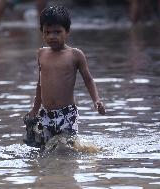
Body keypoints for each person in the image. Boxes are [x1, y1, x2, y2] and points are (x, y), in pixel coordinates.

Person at [25, 5, 106, 146]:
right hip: (46, 114)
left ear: (67, 32)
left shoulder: (75, 55)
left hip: (67, 114)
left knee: (64, 147)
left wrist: (96, 100)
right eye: (47, 32)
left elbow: (88, 79)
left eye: (57, 32)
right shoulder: (42, 54)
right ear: (42, 32)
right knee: (43, 149)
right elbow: (40, 84)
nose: (52, 36)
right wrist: (35, 109)